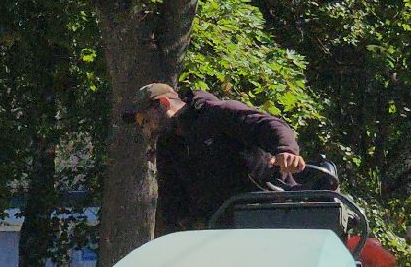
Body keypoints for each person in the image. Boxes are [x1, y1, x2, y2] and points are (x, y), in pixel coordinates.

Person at [123, 82, 307, 234]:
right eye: (142, 126)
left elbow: (268, 125)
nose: (147, 130)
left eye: (146, 121)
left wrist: (286, 151)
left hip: (271, 215)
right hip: (219, 232)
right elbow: (172, 201)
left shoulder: (217, 113)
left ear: (164, 103)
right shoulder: (168, 146)